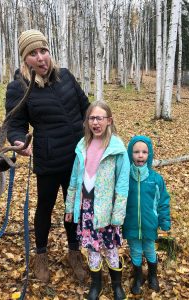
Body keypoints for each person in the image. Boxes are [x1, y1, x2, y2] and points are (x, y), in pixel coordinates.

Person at [5, 29, 90, 283]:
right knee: (45, 207)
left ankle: (74, 253)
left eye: (43, 51)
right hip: (49, 158)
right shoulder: (19, 87)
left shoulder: (66, 76)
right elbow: (15, 123)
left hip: (78, 157)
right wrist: (18, 141)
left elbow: (85, 108)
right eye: (33, 53)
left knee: (73, 207)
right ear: (25, 58)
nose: (41, 58)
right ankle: (40, 255)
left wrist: (99, 128)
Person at [65, 101, 130, 300]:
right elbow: (75, 179)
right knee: (92, 248)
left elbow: (122, 184)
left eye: (99, 118)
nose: (95, 123)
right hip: (86, 207)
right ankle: (96, 284)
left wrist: (118, 213)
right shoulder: (82, 146)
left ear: (109, 120)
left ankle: (117, 285)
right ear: (87, 122)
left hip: (107, 210)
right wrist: (70, 206)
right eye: (91, 118)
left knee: (110, 247)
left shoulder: (117, 148)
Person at [122, 135, 171, 295]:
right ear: (130, 154)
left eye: (144, 152)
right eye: (136, 152)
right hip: (131, 224)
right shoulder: (125, 178)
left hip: (150, 223)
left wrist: (164, 220)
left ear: (149, 155)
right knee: (135, 250)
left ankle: (152, 276)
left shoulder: (155, 179)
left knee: (150, 249)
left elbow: (162, 200)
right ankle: (138, 277)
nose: (140, 155)